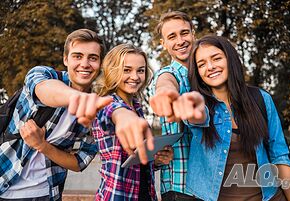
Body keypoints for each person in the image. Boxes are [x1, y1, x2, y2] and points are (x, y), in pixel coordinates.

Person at [0, 29, 113, 201]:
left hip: (47, 193)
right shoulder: (43, 74)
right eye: (77, 56)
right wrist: (80, 98)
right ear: (65, 59)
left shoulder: (99, 108)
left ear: (100, 63)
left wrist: (42, 145)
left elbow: (79, 162)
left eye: (92, 58)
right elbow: (43, 88)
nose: (85, 64)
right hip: (4, 183)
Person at [184, 35, 290, 201]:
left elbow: (279, 156)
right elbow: (194, 116)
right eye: (201, 64)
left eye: (216, 58)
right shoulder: (198, 106)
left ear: (230, 59)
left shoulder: (261, 98)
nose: (210, 67)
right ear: (197, 72)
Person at [92, 44, 174, 201]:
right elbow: (110, 111)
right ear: (113, 71)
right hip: (116, 195)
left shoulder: (136, 107)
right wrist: (122, 115)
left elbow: (133, 163)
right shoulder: (105, 103)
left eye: (140, 70)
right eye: (127, 70)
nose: (135, 77)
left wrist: (155, 160)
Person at [149, 11, 199, 201]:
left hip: (212, 184)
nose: (180, 41)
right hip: (180, 186)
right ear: (163, 44)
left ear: (193, 34)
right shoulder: (167, 73)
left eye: (184, 33)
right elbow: (165, 83)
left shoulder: (206, 75)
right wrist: (166, 94)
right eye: (172, 36)